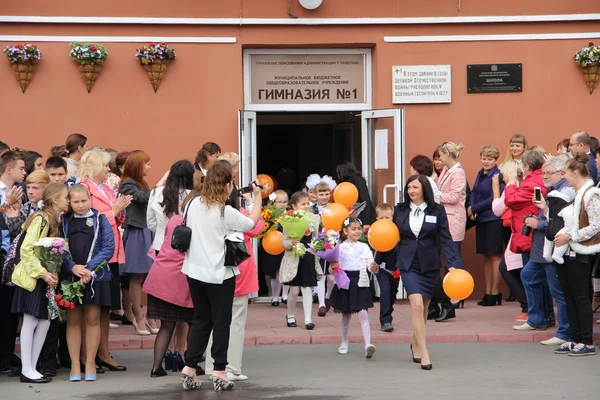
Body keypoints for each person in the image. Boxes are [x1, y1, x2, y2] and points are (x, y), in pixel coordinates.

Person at [179, 160, 262, 391]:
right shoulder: (226, 211)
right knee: (221, 322)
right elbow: (251, 223)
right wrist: (258, 199)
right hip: (220, 274)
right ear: (227, 186)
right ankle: (219, 370)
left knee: (201, 320)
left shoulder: (193, 203)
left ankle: (190, 366)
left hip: (194, 270)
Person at [394, 175, 461, 370]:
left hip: (429, 264)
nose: (411, 191)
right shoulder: (400, 210)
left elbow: (446, 239)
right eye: (409, 188)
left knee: (423, 309)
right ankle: (424, 352)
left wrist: (453, 264)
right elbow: (389, 235)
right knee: (416, 305)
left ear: (424, 189)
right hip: (408, 264)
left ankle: (415, 343)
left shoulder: (437, 211)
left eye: (415, 187)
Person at [10, 183, 70, 383]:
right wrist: (43, 273)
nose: (68, 201)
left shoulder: (52, 219)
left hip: (43, 277)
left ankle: (32, 367)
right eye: (65, 197)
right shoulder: (42, 219)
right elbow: (26, 250)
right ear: (54, 199)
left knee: (44, 321)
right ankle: (27, 369)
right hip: (34, 278)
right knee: (31, 321)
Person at [78, 148, 131, 371]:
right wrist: (113, 211)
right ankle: (87, 355)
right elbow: (89, 221)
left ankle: (103, 352)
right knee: (91, 308)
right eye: (104, 165)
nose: (108, 169)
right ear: (93, 166)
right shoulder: (84, 188)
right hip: (94, 254)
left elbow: (116, 219)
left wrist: (119, 211)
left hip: (111, 253)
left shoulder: (106, 188)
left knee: (106, 307)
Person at [517, 155, 573, 345]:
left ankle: (564, 332)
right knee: (528, 276)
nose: (545, 176)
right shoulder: (551, 190)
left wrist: (537, 223)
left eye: (550, 173)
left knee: (559, 292)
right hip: (542, 249)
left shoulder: (565, 192)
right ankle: (537, 319)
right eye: (544, 173)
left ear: (561, 173)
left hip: (554, 248)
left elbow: (561, 223)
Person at [61, 184, 115, 381]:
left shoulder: (100, 219)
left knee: (92, 319)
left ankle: (90, 362)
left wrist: (89, 268)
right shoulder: (64, 220)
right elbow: (58, 247)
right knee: (73, 321)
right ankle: (75, 364)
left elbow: (108, 247)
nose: (81, 205)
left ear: (90, 199)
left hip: (95, 276)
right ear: (69, 202)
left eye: (84, 201)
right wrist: (73, 267)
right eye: (76, 202)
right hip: (72, 275)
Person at [204, 206, 264, 381]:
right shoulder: (239, 214)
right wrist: (254, 205)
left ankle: (211, 365)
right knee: (235, 323)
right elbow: (257, 227)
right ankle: (231, 368)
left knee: (214, 322)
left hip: (214, 271)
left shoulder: (207, 212)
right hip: (238, 272)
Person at [146, 160, 194, 374]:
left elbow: (151, 224)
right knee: (191, 316)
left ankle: (157, 366)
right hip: (186, 257)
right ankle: (187, 360)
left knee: (167, 322)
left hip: (161, 253)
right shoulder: (193, 198)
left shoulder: (157, 193)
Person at [552, 153, 599, 356]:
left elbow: (596, 226)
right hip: (569, 252)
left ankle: (587, 342)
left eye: (566, 174)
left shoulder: (591, 194)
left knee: (580, 298)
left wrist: (569, 237)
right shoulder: (578, 193)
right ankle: (575, 338)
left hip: (581, 252)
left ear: (576, 172)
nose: (564, 178)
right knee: (570, 298)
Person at [142, 215, 194, 378]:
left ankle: (156, 367)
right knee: (194, 322)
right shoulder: (195, 221)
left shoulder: (173, 220)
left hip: (160, 274)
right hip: (180, 278)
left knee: (166, 325)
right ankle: (192, 364)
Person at [119, 150, 157, 335]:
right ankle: (138, 317)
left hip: (147, 230)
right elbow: (144, 199)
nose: (149, 167)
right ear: (138, 166)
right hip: (136, 232)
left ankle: (149, 316)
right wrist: (163, 185)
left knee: (149, 275)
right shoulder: (127, 184)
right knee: (137, 276)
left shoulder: (142, 183)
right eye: (147, 163)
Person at [329, 217, 376, 358]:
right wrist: (333, 267)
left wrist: (373, 267)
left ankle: (368, 344)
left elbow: (370, 264)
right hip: (345, 281)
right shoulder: (339, 247)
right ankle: (344, 341)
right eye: (353, 229)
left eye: (359, 229)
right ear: (345, 231)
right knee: (346, 313)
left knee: (363, 312)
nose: (357, 231)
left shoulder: (364, 246)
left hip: (360, 280)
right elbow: (332, 270)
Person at [433, 142, 466, 322]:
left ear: (447, 154)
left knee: (452, 257)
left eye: (441, 155)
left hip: (453, 219)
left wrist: (435, 195)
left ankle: (457, 294)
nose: (439, 159)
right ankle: (448, 295)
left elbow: (453, 197)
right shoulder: (447, 171)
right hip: (444, 219)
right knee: (446, 256)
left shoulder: (458, 173)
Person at [492, 160, 529, 320]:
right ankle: (528, 305)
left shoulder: (511, 188)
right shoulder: (525, 185)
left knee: (508, 268)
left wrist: (495, 189)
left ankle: (528, 305)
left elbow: (497, 209)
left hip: (520, 233)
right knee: (519, 269)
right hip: (521, 231)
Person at [279, 191, 321, 330]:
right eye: (303, 204)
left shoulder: (314, 218)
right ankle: (290, 315)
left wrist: (318, 243)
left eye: (308, 203)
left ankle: (308, 319)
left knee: (308, 287)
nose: (306, 206)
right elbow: (284, 243)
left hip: (308, 255)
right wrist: (292, 242)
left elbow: (316, 237)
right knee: (295, 290)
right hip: (294, 258)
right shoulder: (289, 219)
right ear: (294, 206)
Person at [469, 146, 504, 306]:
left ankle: (495, 292)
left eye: (489, 159)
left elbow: (493, 198)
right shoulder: (480, 173)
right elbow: (474, 192)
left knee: (495, 256)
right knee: (486, 256)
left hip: (493, 219)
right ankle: (487, 291)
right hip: (481, 219)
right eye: (484, 158)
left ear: (495, 160)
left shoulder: (496, 175)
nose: (486, 161)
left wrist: (474, 208)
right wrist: (471, 206)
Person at [307, 176, 337, 316]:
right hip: (318, 243)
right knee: (321, 273)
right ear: (315, 194)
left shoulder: (334, 208)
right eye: (321, 194)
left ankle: (328, 296)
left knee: (331, 275)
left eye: (326, 194)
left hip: (332, 242)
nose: (324, 197)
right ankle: (321, 304)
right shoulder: (311, 209)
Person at [371, 203, 399, 332]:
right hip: (382, 269)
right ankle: (386, 320)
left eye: (387, 218)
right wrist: (375, 263)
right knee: (385, 292)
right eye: (381, 218)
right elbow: (380, 249)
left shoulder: (396, 231)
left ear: (392, 218)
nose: (384, 221)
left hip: (395, 270)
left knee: (393, 293)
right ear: (377, 219)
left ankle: (388, 309)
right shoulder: (378, 231)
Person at [260, 190, 289, 305]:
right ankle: (275, 297)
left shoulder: (290, 214)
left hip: (286, 246)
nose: (282, 204)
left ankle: (285, 295)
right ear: (273, 203)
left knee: (286, 272)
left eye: (285, 202)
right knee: (274, 273)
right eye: (279, 202)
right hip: (273, 246)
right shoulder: (269, 214)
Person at [336, 161, 376, 226]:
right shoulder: (344, 183)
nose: (338, 176)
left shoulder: (358, 180)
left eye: (338, 173)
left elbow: (365, 200)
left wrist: (366, 222)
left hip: (363, 216)